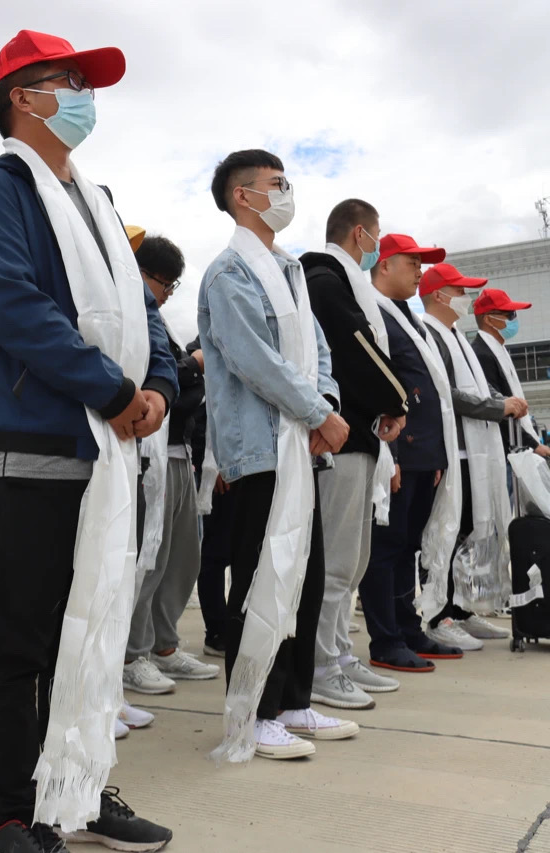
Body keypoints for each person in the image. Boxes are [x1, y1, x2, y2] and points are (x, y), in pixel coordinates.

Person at [0, 30, 176, 853]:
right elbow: (10, 302)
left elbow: (142, 312)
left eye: (85, 82)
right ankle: (14, 810)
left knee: (95, 630)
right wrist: (111, 390)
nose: (84, 95)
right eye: (69, 81)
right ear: (22, 96)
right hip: (33, 448)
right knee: (22, 639)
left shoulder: (99, 200)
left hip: (110, 451)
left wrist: (158, 386)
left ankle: (79, 787)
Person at [199, 149, 358, 762]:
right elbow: (253, 359)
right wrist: (318, 414)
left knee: (306, 578)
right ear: (243, 196)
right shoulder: (228, 273)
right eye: (275, 183)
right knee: (260, 579)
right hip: (261, 448)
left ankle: (292, 701)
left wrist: (326, 401)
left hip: (300, 446)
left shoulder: (288, 269)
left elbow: (317, 348)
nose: (286, 192)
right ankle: (254, 711)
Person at [300, 200, 409, 712]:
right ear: (360, 233)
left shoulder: (341, 282)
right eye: (377, 235)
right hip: (338, 438)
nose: (378, 245)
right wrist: (397, 401)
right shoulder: (325, 281)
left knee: (354, 560)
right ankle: (321, 665)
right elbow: (358, 349)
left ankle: (339, 653)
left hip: (359, 437)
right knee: (336, 563)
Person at [360, 234, 465, 673]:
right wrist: (393, 457)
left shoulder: (408, 318)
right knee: (386, 549)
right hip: (398, 452)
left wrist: (436, 456)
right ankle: (385, 640)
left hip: (425, 455)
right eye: (412, 263)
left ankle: (407, 629)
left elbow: (429, 390)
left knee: (408, 548)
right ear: (384, 265)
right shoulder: (372, 312)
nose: (420, 272)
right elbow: (381, 388)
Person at [123, 234, 219, 708]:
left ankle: (164, 643)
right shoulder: (131, 313)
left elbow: (186, 389)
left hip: (178, 453)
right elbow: (171, 381)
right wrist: (192, 368)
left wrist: (187, 375)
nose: (166, 294)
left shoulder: (157, 319)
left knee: (181, 558)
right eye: (165, 283)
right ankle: (133, 652)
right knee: (147, 557)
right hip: (148, 456)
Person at [418, 263, 515, 650]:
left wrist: (499, 402)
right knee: (445, 532)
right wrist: (497, 407)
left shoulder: (457, 337)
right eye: (460, 291)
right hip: (451, 450)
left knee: (468, 532)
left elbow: (478, 388)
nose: (466, 298)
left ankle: (460, 609)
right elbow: (448, 393)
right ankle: (437, 614)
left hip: (472, 453)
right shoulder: (431, 333)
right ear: (439, 295)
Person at [473, 288, 549, 464]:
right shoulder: (481, 354)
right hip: (505, 452)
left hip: (515, 447)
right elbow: (498, 407)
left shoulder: (499, 349)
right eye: (509, 314)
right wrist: (533, 445)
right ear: (488, 319)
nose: (514, 319)